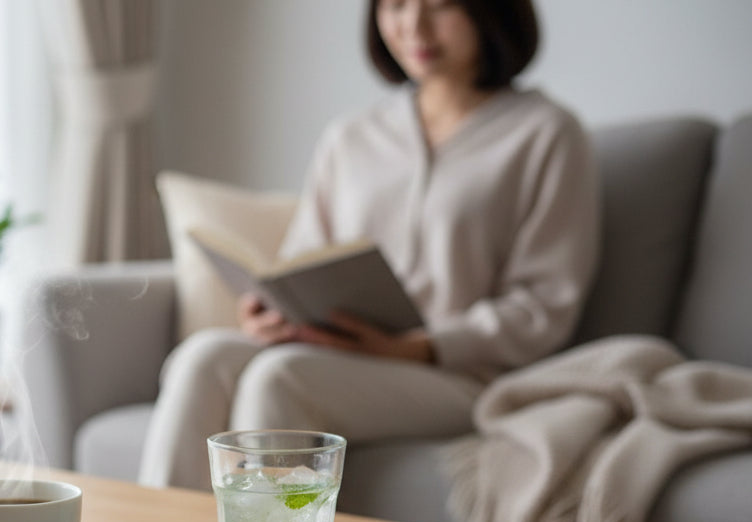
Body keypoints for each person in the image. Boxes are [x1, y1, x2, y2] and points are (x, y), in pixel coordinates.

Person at [139, 0, 600, 490]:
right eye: (396, 5)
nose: (414, 27)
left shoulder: (547, 134)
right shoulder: (352, 137)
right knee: (202, 356)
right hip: (341, 355)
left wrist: (415, 348)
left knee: (281, 377)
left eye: (440, 5)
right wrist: (272, 310)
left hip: (464, 377)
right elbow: (304, 259)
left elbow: (544, 306)